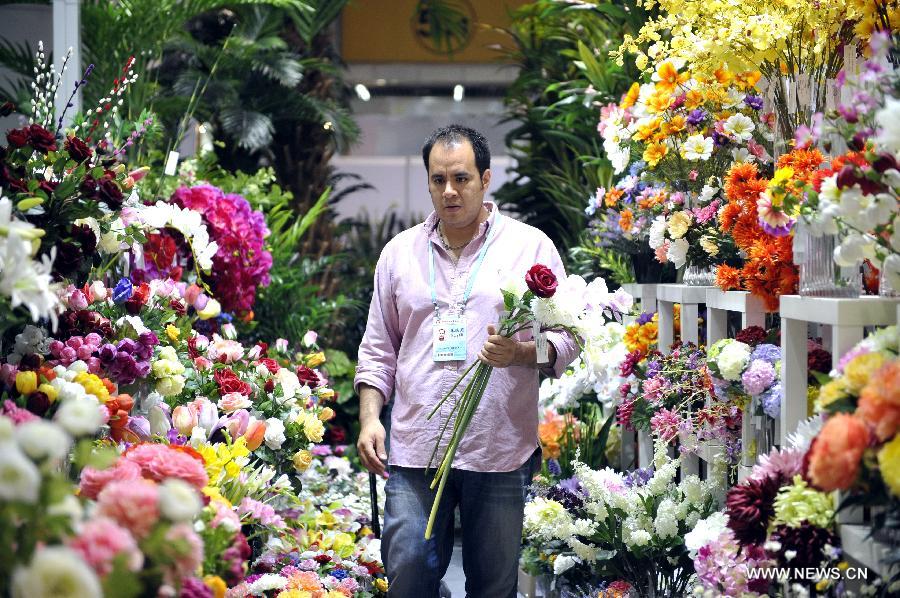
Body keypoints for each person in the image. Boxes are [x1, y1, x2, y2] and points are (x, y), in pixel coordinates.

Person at [355, 124, 577, 598]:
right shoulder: (399, 254)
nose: (450, 191)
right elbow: (378, 348)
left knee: (493, 587)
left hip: (498, 449)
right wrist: (371, 418)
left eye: (461, 178)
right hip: (415, 447)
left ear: (486, 178)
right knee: (409, 574)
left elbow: (568, 339)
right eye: (438, 180)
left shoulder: (529, 247)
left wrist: (519, 353)